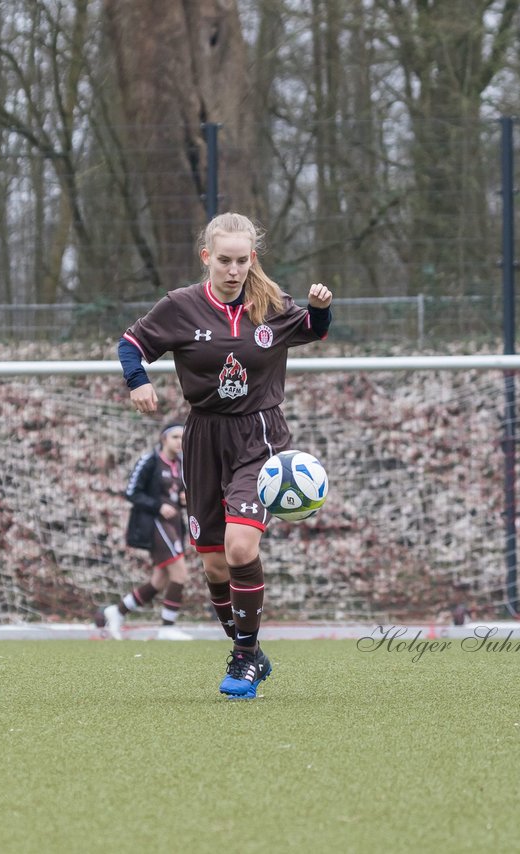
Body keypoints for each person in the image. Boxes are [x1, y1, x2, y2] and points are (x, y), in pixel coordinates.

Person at [118, 212, 332, 698]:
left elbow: (315, 330)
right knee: (214, 565)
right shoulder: (180, 307)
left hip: (259, 436)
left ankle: (241, 659)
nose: (233, 270)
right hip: (203, 438)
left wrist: (320, 308)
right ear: (206, 258)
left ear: (252, 259)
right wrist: (139, 381)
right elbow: (131, 345)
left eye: (241, 260)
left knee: (240, 548)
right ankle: (252, 652)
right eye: (224, 261)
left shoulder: (270, 304)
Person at [95, 423, 194, 641]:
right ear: (163, 439)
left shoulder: (183, 464)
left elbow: (178, 494)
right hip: (155, 524)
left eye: (182, 437)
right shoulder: (149, 461)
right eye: (175, 437)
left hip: (175, 525)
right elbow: (132, 492)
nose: (180, 441)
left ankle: (117, 611)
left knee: (159, 580)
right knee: (180, 574)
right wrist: (158, 506)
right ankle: (167, 627)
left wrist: (184, 500)